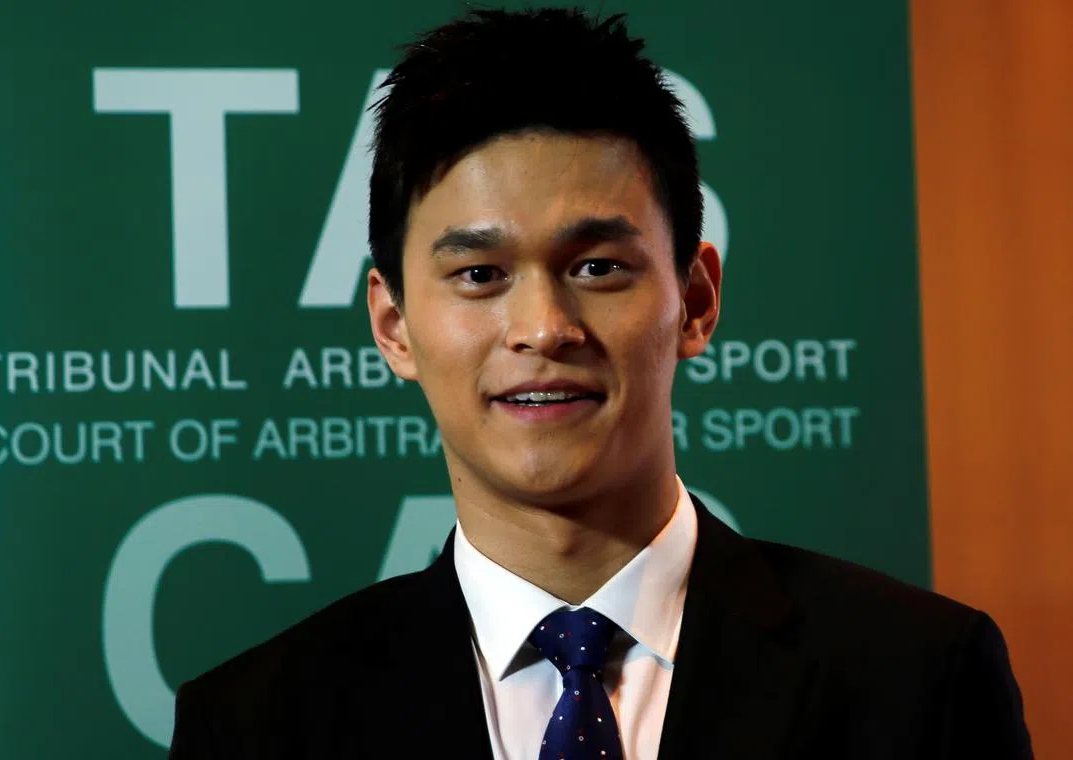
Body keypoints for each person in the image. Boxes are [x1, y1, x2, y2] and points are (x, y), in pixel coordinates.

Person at [167, 6, 1032, 758]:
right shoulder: (257, 724)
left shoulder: (918, 678)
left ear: (695, 302)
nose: (544, 327)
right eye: (480, 275)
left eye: (596, 266)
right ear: (393, 326)